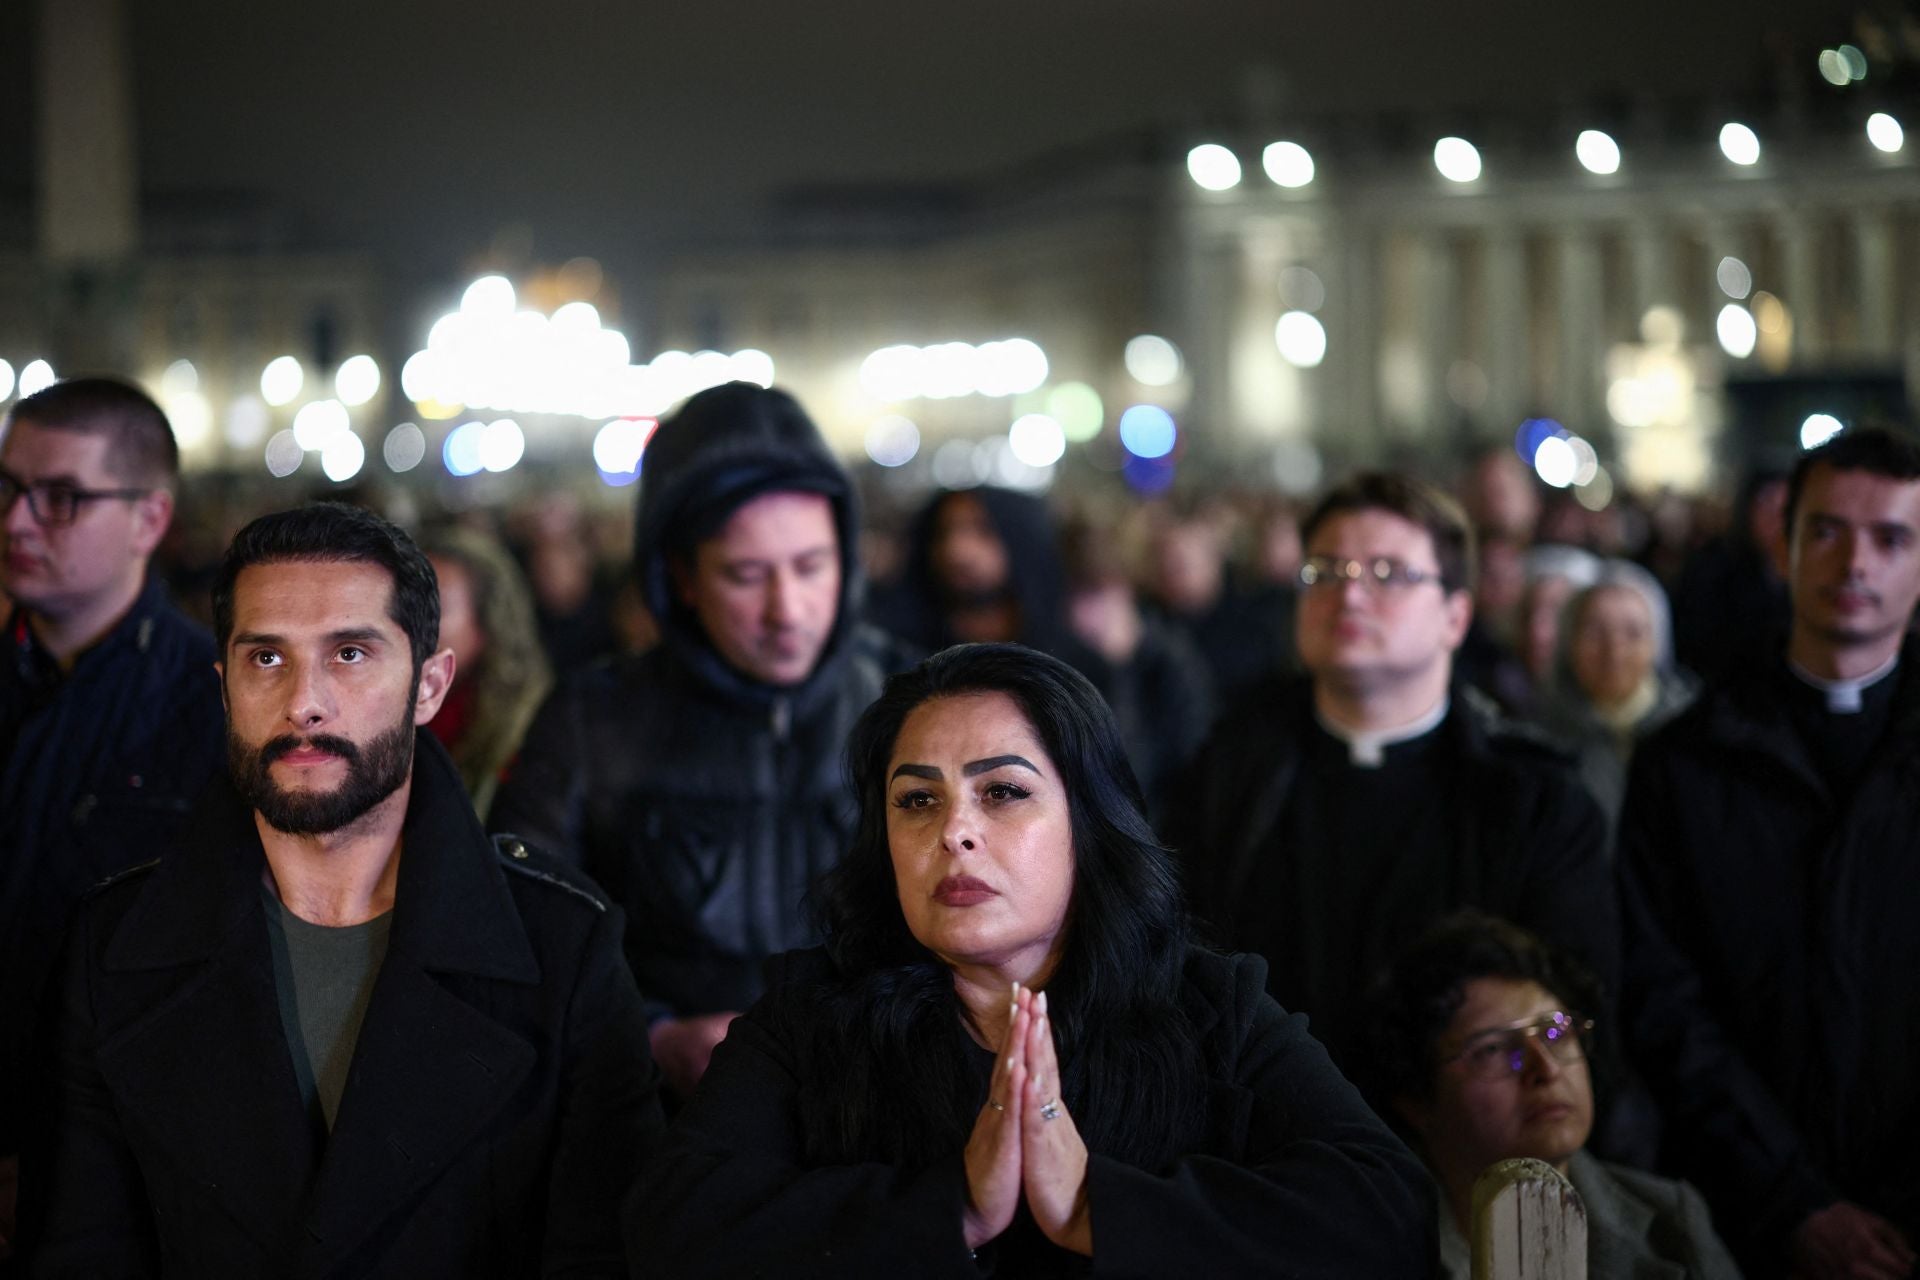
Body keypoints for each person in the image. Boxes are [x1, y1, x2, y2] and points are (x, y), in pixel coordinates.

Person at [629, 643, 1436, 1276]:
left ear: (1088, 821)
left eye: (1003, 791)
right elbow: (672, 1234)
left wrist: (1096, 1210)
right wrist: (953, 1211)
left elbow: (1388, 1211)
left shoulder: (1205, 1005)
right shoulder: (809, 1017)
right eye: (917, 800)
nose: (954, 831)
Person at [22, 503, 662, 1277]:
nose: (304, 701)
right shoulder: (113, 949)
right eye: (267, 659)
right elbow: (79, 1250)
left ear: (429, 687)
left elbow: (603, 1253)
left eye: (351, 654)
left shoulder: (563, 949)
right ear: (223, 688)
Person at [489, 382, 907, 1101]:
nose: (788, 611)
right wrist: (650, 1037)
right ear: (677, 576)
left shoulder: (915, 701)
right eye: (746, 575)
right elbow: (517, 932)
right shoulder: (591, 721)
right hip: (671, 1135)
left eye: (812, 567)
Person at [1169, 472, 1616, 1074]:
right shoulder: (1228, 774)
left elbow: (1577, 1010)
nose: (1349, 596)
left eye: (1388, 574)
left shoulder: (1536, 800)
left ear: (1455, 618)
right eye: (1325, 572)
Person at [1618, 427, 1920, 1280]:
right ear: (1782, 544)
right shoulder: (1686, 761)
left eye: (1891, 539)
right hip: (1742, 1217)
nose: (1856, 563)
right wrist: (1794, 1202)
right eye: (1827, 531)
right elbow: (1661, 996)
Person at [0, 378, 223, 1262]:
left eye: (61, 499)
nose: (18, 522)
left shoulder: (213, 706)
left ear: (149, 519)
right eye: (9, 489)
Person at [1360, 912, 1741, 1280]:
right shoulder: (1371, 1251)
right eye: (1492, 1049)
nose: (1546, 1070)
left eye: (1555, 1032)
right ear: (1415, 1101)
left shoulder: (1671, 1222)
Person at [1058, 517, 1214, 814]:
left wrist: (1118, 671)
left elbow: (1131, 777)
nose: (1084, 613)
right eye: (1076, 596)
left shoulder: (1170, 661)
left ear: (1124, 590)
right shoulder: (1063, 656)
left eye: (1096, 594)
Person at [1536, 561, 1698, 830]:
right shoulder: (1543, 736)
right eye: (1594, 631)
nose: (1615, 649)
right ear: (1569, 641)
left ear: (1657, 643)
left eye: (1633, 633)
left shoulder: (1690, 731)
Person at [421, 526, 552, 814]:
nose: (416, 625)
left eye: (436, 609)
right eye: (409, 606)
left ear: (487, 623)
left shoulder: (530, 735)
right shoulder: (388, 715)